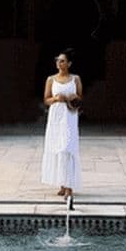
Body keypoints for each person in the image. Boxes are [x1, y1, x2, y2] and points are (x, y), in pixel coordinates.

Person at [41, 49, 83, 199]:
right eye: (58, 60)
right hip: (56, 117)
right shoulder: (51, 80)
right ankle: (62, 184)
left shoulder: (75, 79)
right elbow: (46, 99)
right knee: (58, 148)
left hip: (70, 117)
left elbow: (80, 99)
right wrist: (56, 99)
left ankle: (70, 186)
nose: (59, 63)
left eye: (62, 60)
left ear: (69, 63)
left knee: (68, 148)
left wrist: (72, 98)